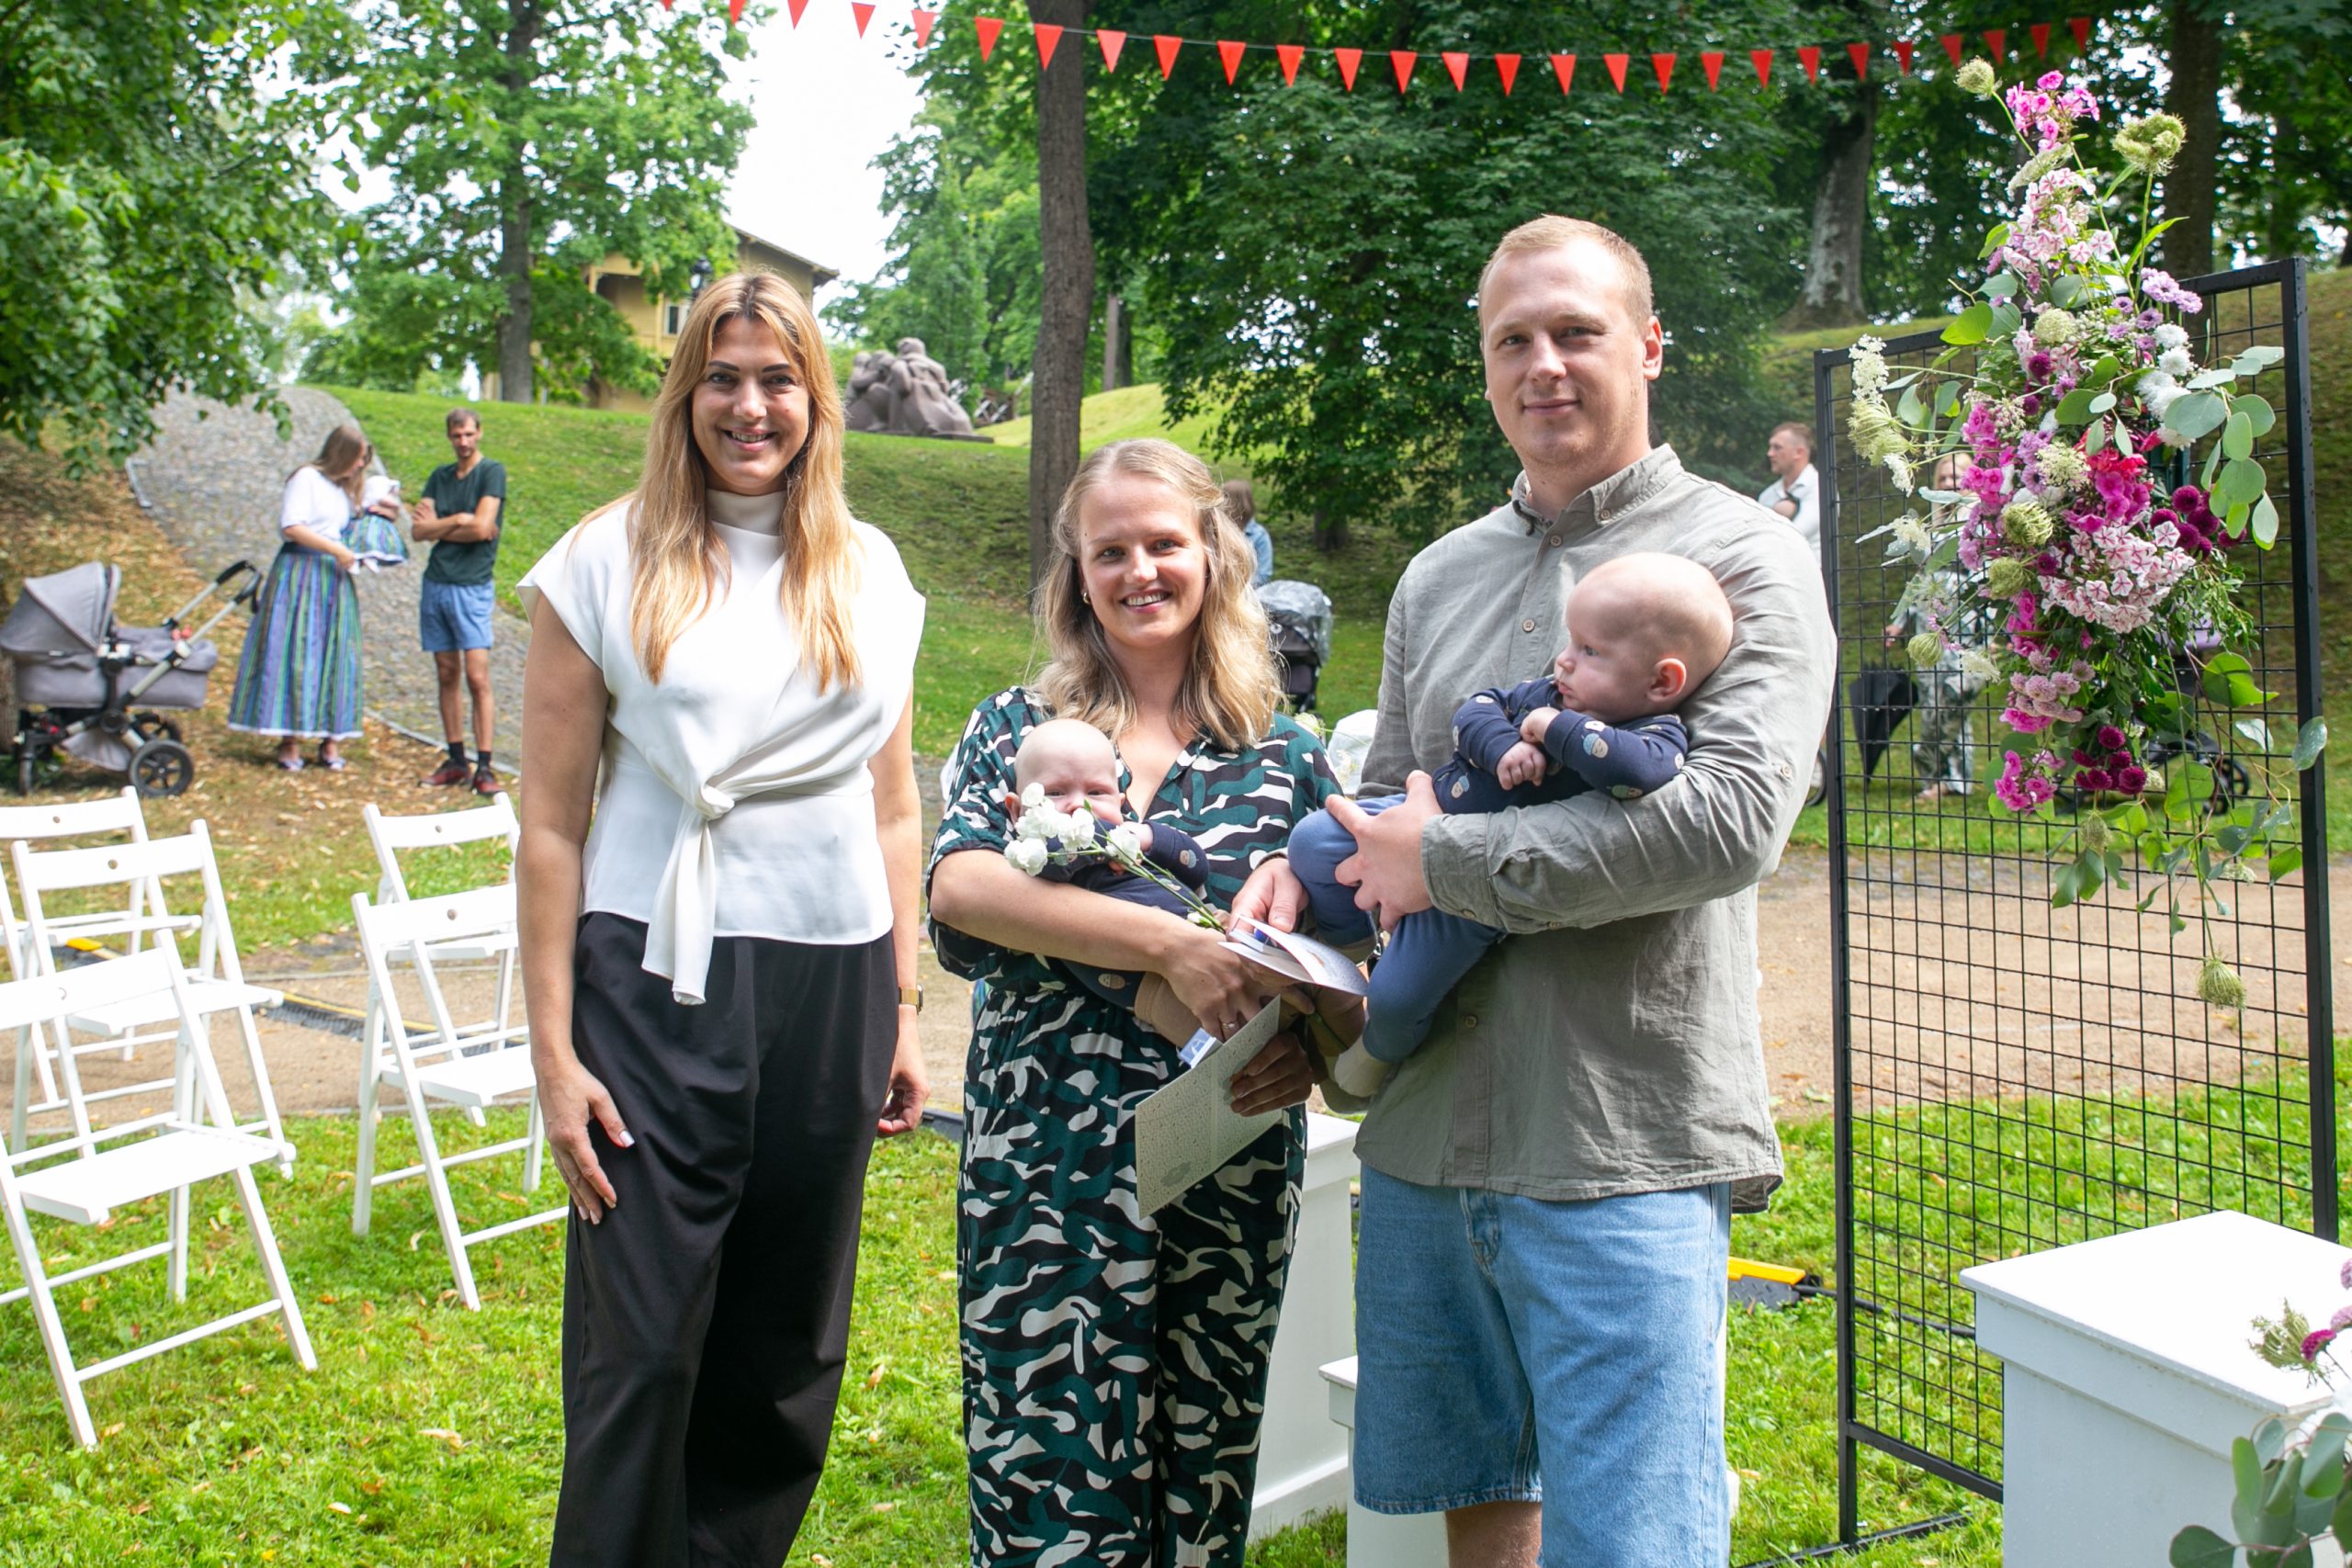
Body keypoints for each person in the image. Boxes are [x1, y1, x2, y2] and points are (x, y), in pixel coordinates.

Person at [1229, 215, 1836, 1566]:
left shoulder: (1744, 557)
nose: (1542, 365)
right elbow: (1385, 804)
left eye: (1576, 331)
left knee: (1633, 1539)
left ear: (1650, 344)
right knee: (1480, 1507)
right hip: (1429, 1135)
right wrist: (1305, 882)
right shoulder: (1439, 574)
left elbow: (1730, 823)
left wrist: (1439, 863)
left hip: (1616, 1134)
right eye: (1513, 340)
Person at [514, 271, 930, 1568]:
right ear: (684, 391)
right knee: (641, 1348)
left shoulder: (868, 569)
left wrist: (903, 1006)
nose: (751, 408)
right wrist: (553, 1052)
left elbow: (894, 804)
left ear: (817, 398)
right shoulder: (601, 558)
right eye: (724, 378)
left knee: (786, 1343)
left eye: (778, 380)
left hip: (834, 980)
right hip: (655, 975)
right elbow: (550, 822)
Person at [927, 437, 1330, 1568]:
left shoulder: (1285, 755)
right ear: (1076, 571)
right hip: (1045, 1161)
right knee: (1045, 1485)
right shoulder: (1019, 726)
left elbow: (1350, 947)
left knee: (1201, 1481)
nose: (1138, 571)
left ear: (1213, 554)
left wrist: (1311, 1048)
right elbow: (962, 887)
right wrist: (1168, 949)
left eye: (1163, 544)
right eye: (1109, 552)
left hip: (1228, 1160)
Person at [1289, 551, 1733, 1101]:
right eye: (1571, 641)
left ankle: (1376, 1051)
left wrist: (1555, 728)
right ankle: (1350, 940)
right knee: (1311, 840)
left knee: (1396, 998)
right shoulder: (1548, 690)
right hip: (1418, 812)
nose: (1563, 661)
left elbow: (1632, 774)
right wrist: (1502, 745)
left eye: (1590, 651)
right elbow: (1475, 710)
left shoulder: (1656, 737)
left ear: (1662, 681)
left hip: (1468, 898)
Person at [227, 422, 394, 770]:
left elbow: (350, 527)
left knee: (336, 652)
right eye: (357, 458)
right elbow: (292, 526)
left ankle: (329, 740)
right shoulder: (306, 478)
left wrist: (381, 515)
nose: (360, 465)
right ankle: (289, 740)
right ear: (340, 454)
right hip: (300, 573)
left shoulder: (345, 489)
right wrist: (335, 549)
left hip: (334, 579)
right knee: (295, 649)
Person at [412, 406, 507, 794]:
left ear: (479, 433)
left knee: (477, 676)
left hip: (472, 585)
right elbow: (418, 531)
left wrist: (449, 526)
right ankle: (456, 759)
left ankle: (485, 766)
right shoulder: (440, 476)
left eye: (468, 434)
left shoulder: (491, 472)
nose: (463, 441)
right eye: (456, 435)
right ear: (449, 436)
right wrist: (457, 521)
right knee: (446, 672)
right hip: (436, 582)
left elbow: (483, 527)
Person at [1888, 453, 1987, 802]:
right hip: (1929, 629)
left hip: (1966, 627)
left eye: (1956, 476)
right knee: (1934, 702)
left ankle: (1939, 771)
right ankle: (1947, 779)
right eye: (1943, 478)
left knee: (1952, 700)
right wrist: (1899, 621)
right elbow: (1920, 579)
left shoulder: (1980, 524)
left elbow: (1988, 578)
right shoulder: (1932, 526)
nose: (1949, 484)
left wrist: (1992, 634)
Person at [1758, 420, 1823, 561]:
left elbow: (1797, 532)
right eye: (1770, 447)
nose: (1770, 454)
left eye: (1777, 447)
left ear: (1799, 452)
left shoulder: (1821, 488)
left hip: (1813, 573)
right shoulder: (1767, 495)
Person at [1223, 478, 1275, 586]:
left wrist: (1236, 588)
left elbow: (1263, 575)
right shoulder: (1217, 530)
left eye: (1225, 498)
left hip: (1246, 592)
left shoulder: (1259, 536)